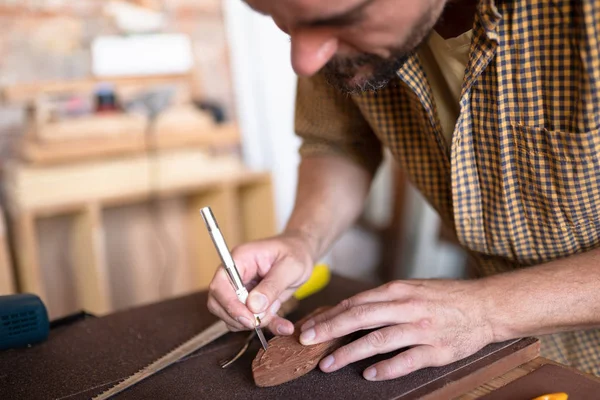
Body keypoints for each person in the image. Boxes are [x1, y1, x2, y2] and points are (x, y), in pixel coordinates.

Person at [208, 0, 600, 380]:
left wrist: (486, 309)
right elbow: (339, 143)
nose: (304, 60)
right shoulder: (324, 30)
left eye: (345, 18)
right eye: (277, 17)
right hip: (508, 357)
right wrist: (302, 238)